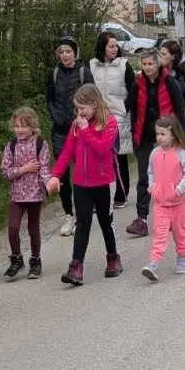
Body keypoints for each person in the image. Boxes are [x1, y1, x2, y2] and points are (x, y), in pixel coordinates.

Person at [47, 85, 123, 286]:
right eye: (77, 109)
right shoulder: (76, 125)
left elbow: (102, 149)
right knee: (82, 223)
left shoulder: (110, 122)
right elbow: (67, 152)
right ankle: (76, 266)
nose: (80, 113)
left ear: (94, 104)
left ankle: (113, 257)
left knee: (106, 222)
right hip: (81, 183)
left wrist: (86, 130)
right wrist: (55, 175)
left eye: (83, 108)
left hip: (104, 182)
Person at [126, 49, 185, 237]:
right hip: (144, 136)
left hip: (166, 135)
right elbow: (132, 108)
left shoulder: (170, 82)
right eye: (144, 64)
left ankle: (170, 214)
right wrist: (134, 134)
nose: (147, 68)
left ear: (157, 63)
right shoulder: (138, 84)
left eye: (150, 64)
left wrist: (180, 138)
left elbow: (180, 109)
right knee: (144, 176)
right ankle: (141, 219)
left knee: (167, 178)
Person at [46, 36, 93, 238]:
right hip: (59, 131)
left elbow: (93, 100)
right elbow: (49, 99)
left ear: (75, 53)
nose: (65, 55)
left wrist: (80, 118)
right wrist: (57, 117)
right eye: (61, 52)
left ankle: (85, 210)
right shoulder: (54, 73)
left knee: (83, 170)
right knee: (62, 174)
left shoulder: (84, 72)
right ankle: (68, 214)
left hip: (81, 129)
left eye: (68, 51)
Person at [1, 106, 52, 280]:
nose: (19, 130)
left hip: (35, 194)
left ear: (32, 126)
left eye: (23, 126)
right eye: (16, 126)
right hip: (17, 195)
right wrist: (24, 169)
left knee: (33, 229)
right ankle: (16, 259)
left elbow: (44, 168)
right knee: (13, 228)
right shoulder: (11, 145)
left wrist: (49, 182)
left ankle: (35, 261)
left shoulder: (40, 144)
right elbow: (5, 171)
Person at [142, 116, 185, 282]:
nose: (159, 137)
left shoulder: (182, 154)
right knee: (160, 234)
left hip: (179, 204)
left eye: (163, 134)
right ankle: (153, 264)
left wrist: (179, 189)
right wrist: (152, 187)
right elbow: (150, 172)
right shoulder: (154, 154)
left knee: (180, 233)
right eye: (157, 134)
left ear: (173, 135)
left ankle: (182, 258)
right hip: (161, 204)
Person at [90, 30, 135, 207]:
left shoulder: (124, 65)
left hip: (118, 116)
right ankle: (98, 197)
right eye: (111, 46)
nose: (114, 49)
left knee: (118, 157)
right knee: (97, 157)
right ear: (102, 47)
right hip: (98, 116)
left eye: (116, 46)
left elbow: (133, 91)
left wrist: (125, 110)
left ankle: (121, 194)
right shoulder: (92, 65)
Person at [160, 38, 185, 137]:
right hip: (163, 124)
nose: (160, 57)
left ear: (173, 56)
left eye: (164, 54)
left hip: (182, 124)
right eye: (160, 54)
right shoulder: (158, 73)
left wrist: (184, 117)